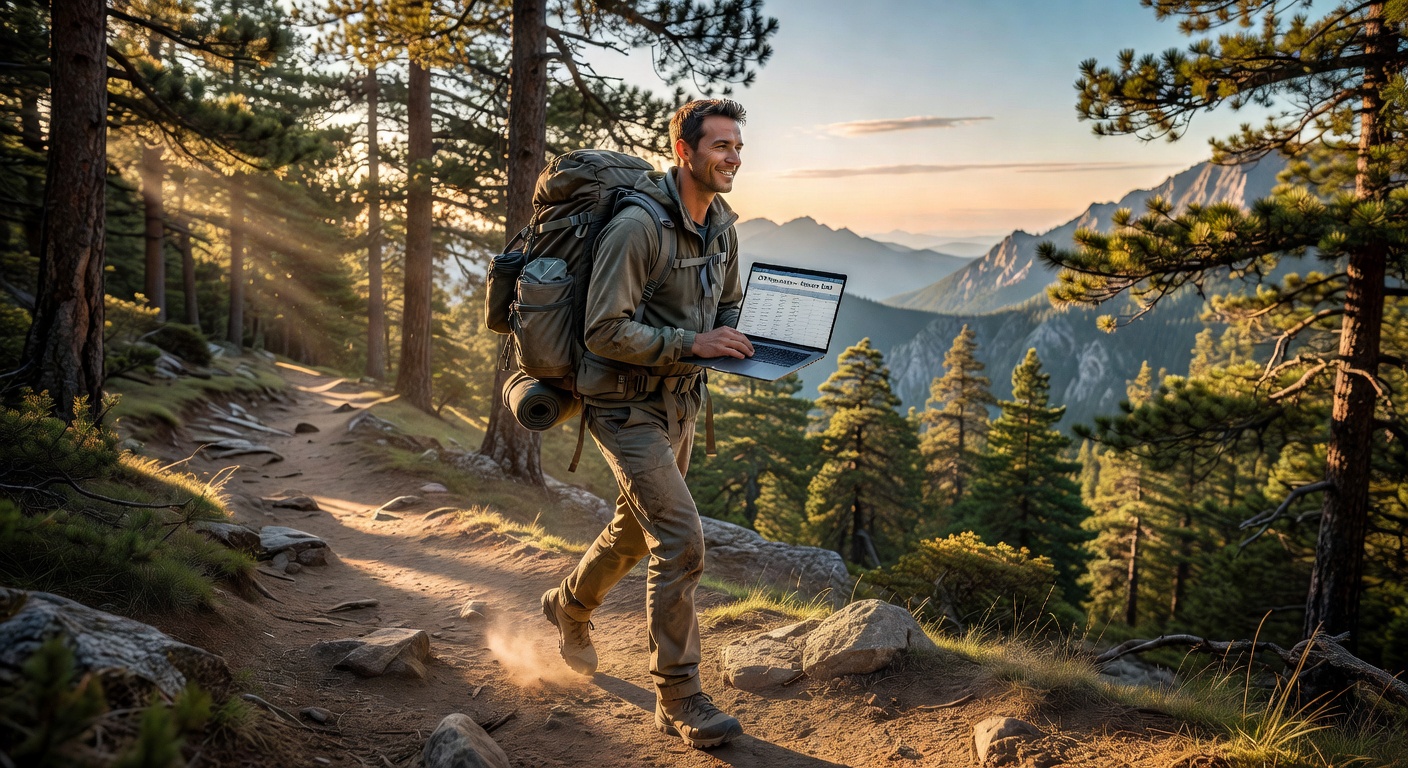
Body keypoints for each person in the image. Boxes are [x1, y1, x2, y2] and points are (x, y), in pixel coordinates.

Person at [539, 99, 754, 750]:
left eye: (739, 147)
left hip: (678, 404)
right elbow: (604, 330)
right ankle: (679, 696)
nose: (734, 157)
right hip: (623, 405)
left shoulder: (723, 225)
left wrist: (755, 340)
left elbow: (729, 304)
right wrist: (692, 344)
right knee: (683, 542)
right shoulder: (637, 228)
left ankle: (568, 606)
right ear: (685, 152)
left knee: (634, 535)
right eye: (721, 146)